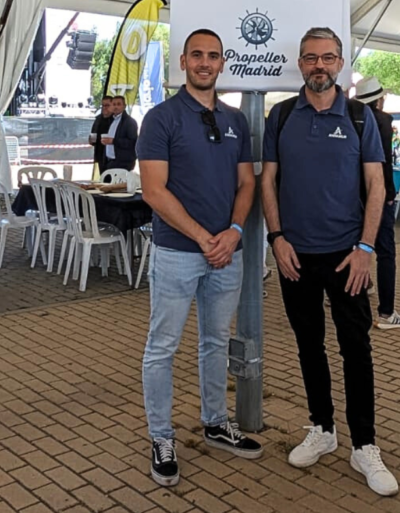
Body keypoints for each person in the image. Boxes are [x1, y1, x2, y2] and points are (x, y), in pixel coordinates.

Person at [262, 27, 398, 497]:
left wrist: (366, 249)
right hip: (295, 255)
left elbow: (377, 187)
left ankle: (365, 445)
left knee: (356, 350)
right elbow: (267, 181)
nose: (319, 65)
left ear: (340, 63)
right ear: (300, 64)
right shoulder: (280, 116)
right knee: (308, 346)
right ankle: (322, 427)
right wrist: (276, 238)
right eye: (310, 58)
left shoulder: (361, 119)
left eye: (327, 58)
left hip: (348, 257)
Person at [137, 28, 262, 488]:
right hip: (177, 254)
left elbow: (246, 183)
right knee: (162, 348)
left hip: (226, 254)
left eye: (213, 56)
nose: (205, 62)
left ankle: (215, 423)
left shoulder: (234, 120)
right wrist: (204, 237)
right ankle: (161, 437)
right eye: (197, 55)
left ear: (222, 63)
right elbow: (154, 190)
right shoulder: (161, 118)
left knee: (215, 342)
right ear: (183, 62)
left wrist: (230, 233)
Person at [355, 77, 400, 331]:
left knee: (352, 244)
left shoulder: (349, 118)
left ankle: (357, 290)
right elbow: (383, 163)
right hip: (377, 193)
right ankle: (387, 312)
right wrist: (389, 192)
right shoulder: (383, 122)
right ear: (379, 99)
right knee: (386, 252)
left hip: (353, 195)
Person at [102, 95, 139, 171]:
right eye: (114, 104)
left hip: (123, 162)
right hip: (109, 161)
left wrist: (113, 141)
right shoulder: (111, 120)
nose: (116, 107)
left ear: (124, 106)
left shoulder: (129, 122)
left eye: (119, 104)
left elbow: (132, 142)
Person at [89, 96, 114, 174]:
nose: (104, 108)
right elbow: (93, 133)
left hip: (113, 157)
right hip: (100, 154)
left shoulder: (116, 120)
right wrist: (91, 140)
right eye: (103, 105)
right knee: (103, 177)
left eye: (107, 105)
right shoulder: (98, 119)